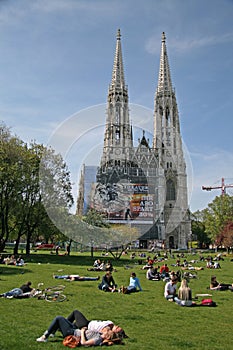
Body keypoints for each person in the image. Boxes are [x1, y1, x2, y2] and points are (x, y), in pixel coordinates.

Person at [36, 316, 121, 345]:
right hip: (75, 330)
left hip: (72, 333)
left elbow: (84, 343)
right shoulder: (100, 335)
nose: (106, 330)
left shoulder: (98, 339)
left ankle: (45, 336)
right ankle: (51, 333)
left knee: (59, 318)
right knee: (64, 320)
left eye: (107, 331)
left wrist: (83, 332)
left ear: (107, 335)